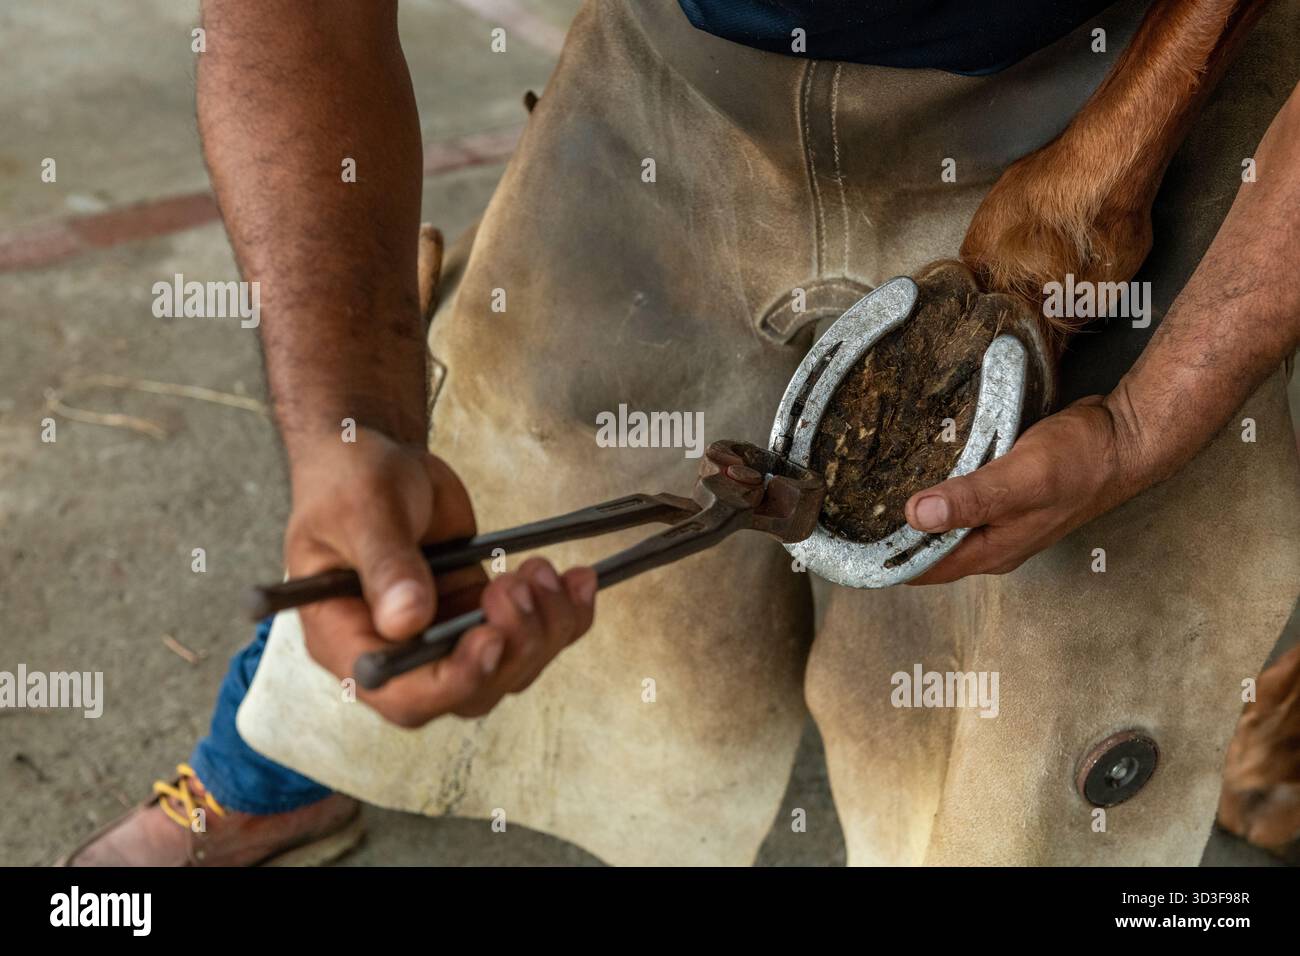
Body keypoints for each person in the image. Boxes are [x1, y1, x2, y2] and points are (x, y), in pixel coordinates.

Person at [63, 0, 1300, 866]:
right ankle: (277, 757)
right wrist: (351, 423)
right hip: (687, 75)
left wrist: (1153, 414)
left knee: (1042, 738)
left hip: (1119, 62)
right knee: (475, 467)